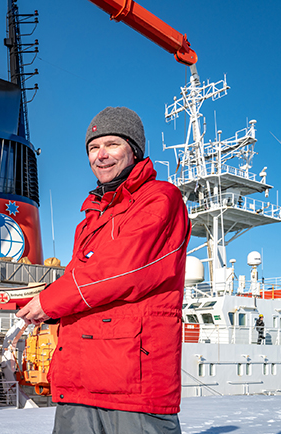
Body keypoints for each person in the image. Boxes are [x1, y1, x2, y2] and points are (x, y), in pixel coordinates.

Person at [17, 107, 190, 434]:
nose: (101, 155)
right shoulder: (91, 217)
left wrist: (49, 302)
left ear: (134, 150)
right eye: (93, 148)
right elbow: (80, 277)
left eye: (111, 144)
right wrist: (39, 304)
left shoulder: (160, 199)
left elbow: (123, 269)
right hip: (80, 377)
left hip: (132, 384)